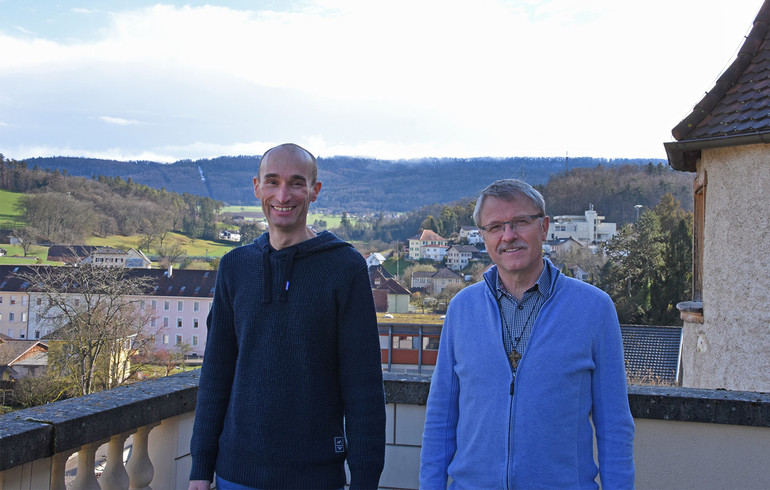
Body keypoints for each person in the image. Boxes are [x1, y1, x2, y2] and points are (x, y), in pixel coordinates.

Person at [189, 143, 386, 490]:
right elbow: (216, 372)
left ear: (314, 191)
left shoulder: (344, 267)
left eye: (296, 182)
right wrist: (200, 470)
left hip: (315, 477)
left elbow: (364, 386)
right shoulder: (234, 267)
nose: (283, 194)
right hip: (235, 474)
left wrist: (365, 480)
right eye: (272, 181)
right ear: (256, 187)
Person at [420, 179, 634, 489]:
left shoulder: (595, 309)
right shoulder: (461, 309)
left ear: (544, 228)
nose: (508, 236)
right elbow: (441, 418)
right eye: (495, 227)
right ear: (483, 236)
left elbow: (614, 425)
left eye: (520, 222)